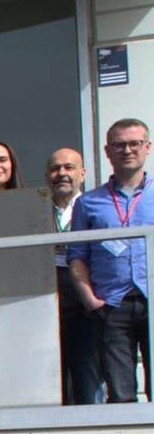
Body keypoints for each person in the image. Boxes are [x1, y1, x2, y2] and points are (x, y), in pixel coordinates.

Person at [68, 117, 152, 405]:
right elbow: (77, 256)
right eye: (119, 145)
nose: (127, 150)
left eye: (135, 143)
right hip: (112, 305)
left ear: (147, 147)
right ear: (107, 151)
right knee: (120, 394)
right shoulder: (88, 202)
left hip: (152, 298)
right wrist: (90, 300)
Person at [47, 147, 100, 406]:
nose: (62, 173)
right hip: (46, 309)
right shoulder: (35, 210)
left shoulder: (94, 208)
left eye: (69, 167)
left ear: (83, 173)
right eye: (55, 169)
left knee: (87, 384)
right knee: (50, 389)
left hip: (83, 309)